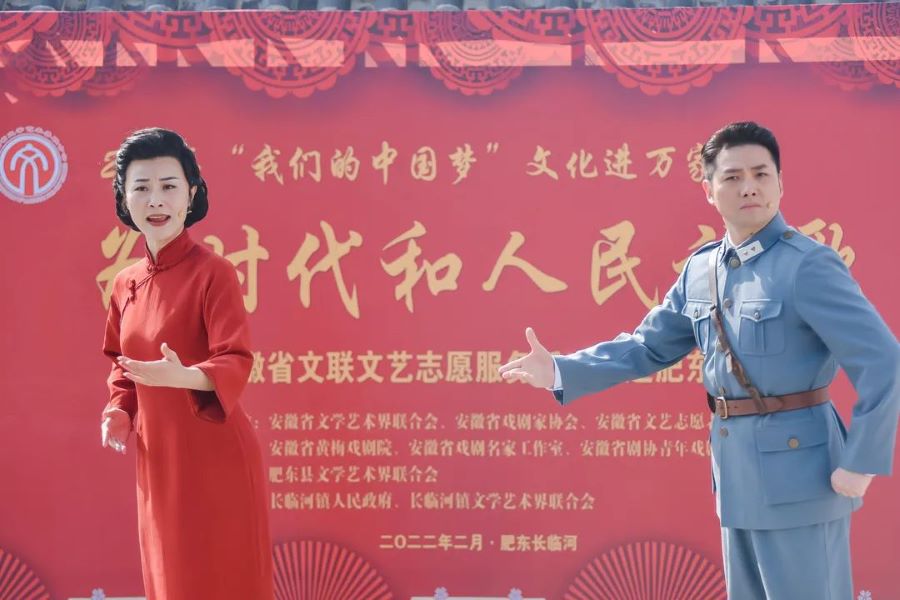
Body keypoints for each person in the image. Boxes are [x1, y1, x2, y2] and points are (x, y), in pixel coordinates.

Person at [498, 122, 899, 598]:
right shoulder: (702, 269)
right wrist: (561, 370)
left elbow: (883, 360)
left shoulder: (807, 265)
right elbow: (647, 346)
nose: (748, 187)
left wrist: (862, 462)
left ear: (780, 183)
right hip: (737, 478)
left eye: (761, 174)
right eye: (732, 177)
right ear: (708, 190)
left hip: (803, 479)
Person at [100, 128, 274, 599]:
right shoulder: (125, 283)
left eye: (169, 186)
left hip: (215, 455)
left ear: (191, 194)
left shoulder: (213, 272)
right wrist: (119, 410)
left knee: (225, 579)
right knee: (170, 577)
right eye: (141, 187)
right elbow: (121, 363)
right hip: (159, 458)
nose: (156, 200)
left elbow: (235, 357)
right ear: (124, 198)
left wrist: (186, 377)